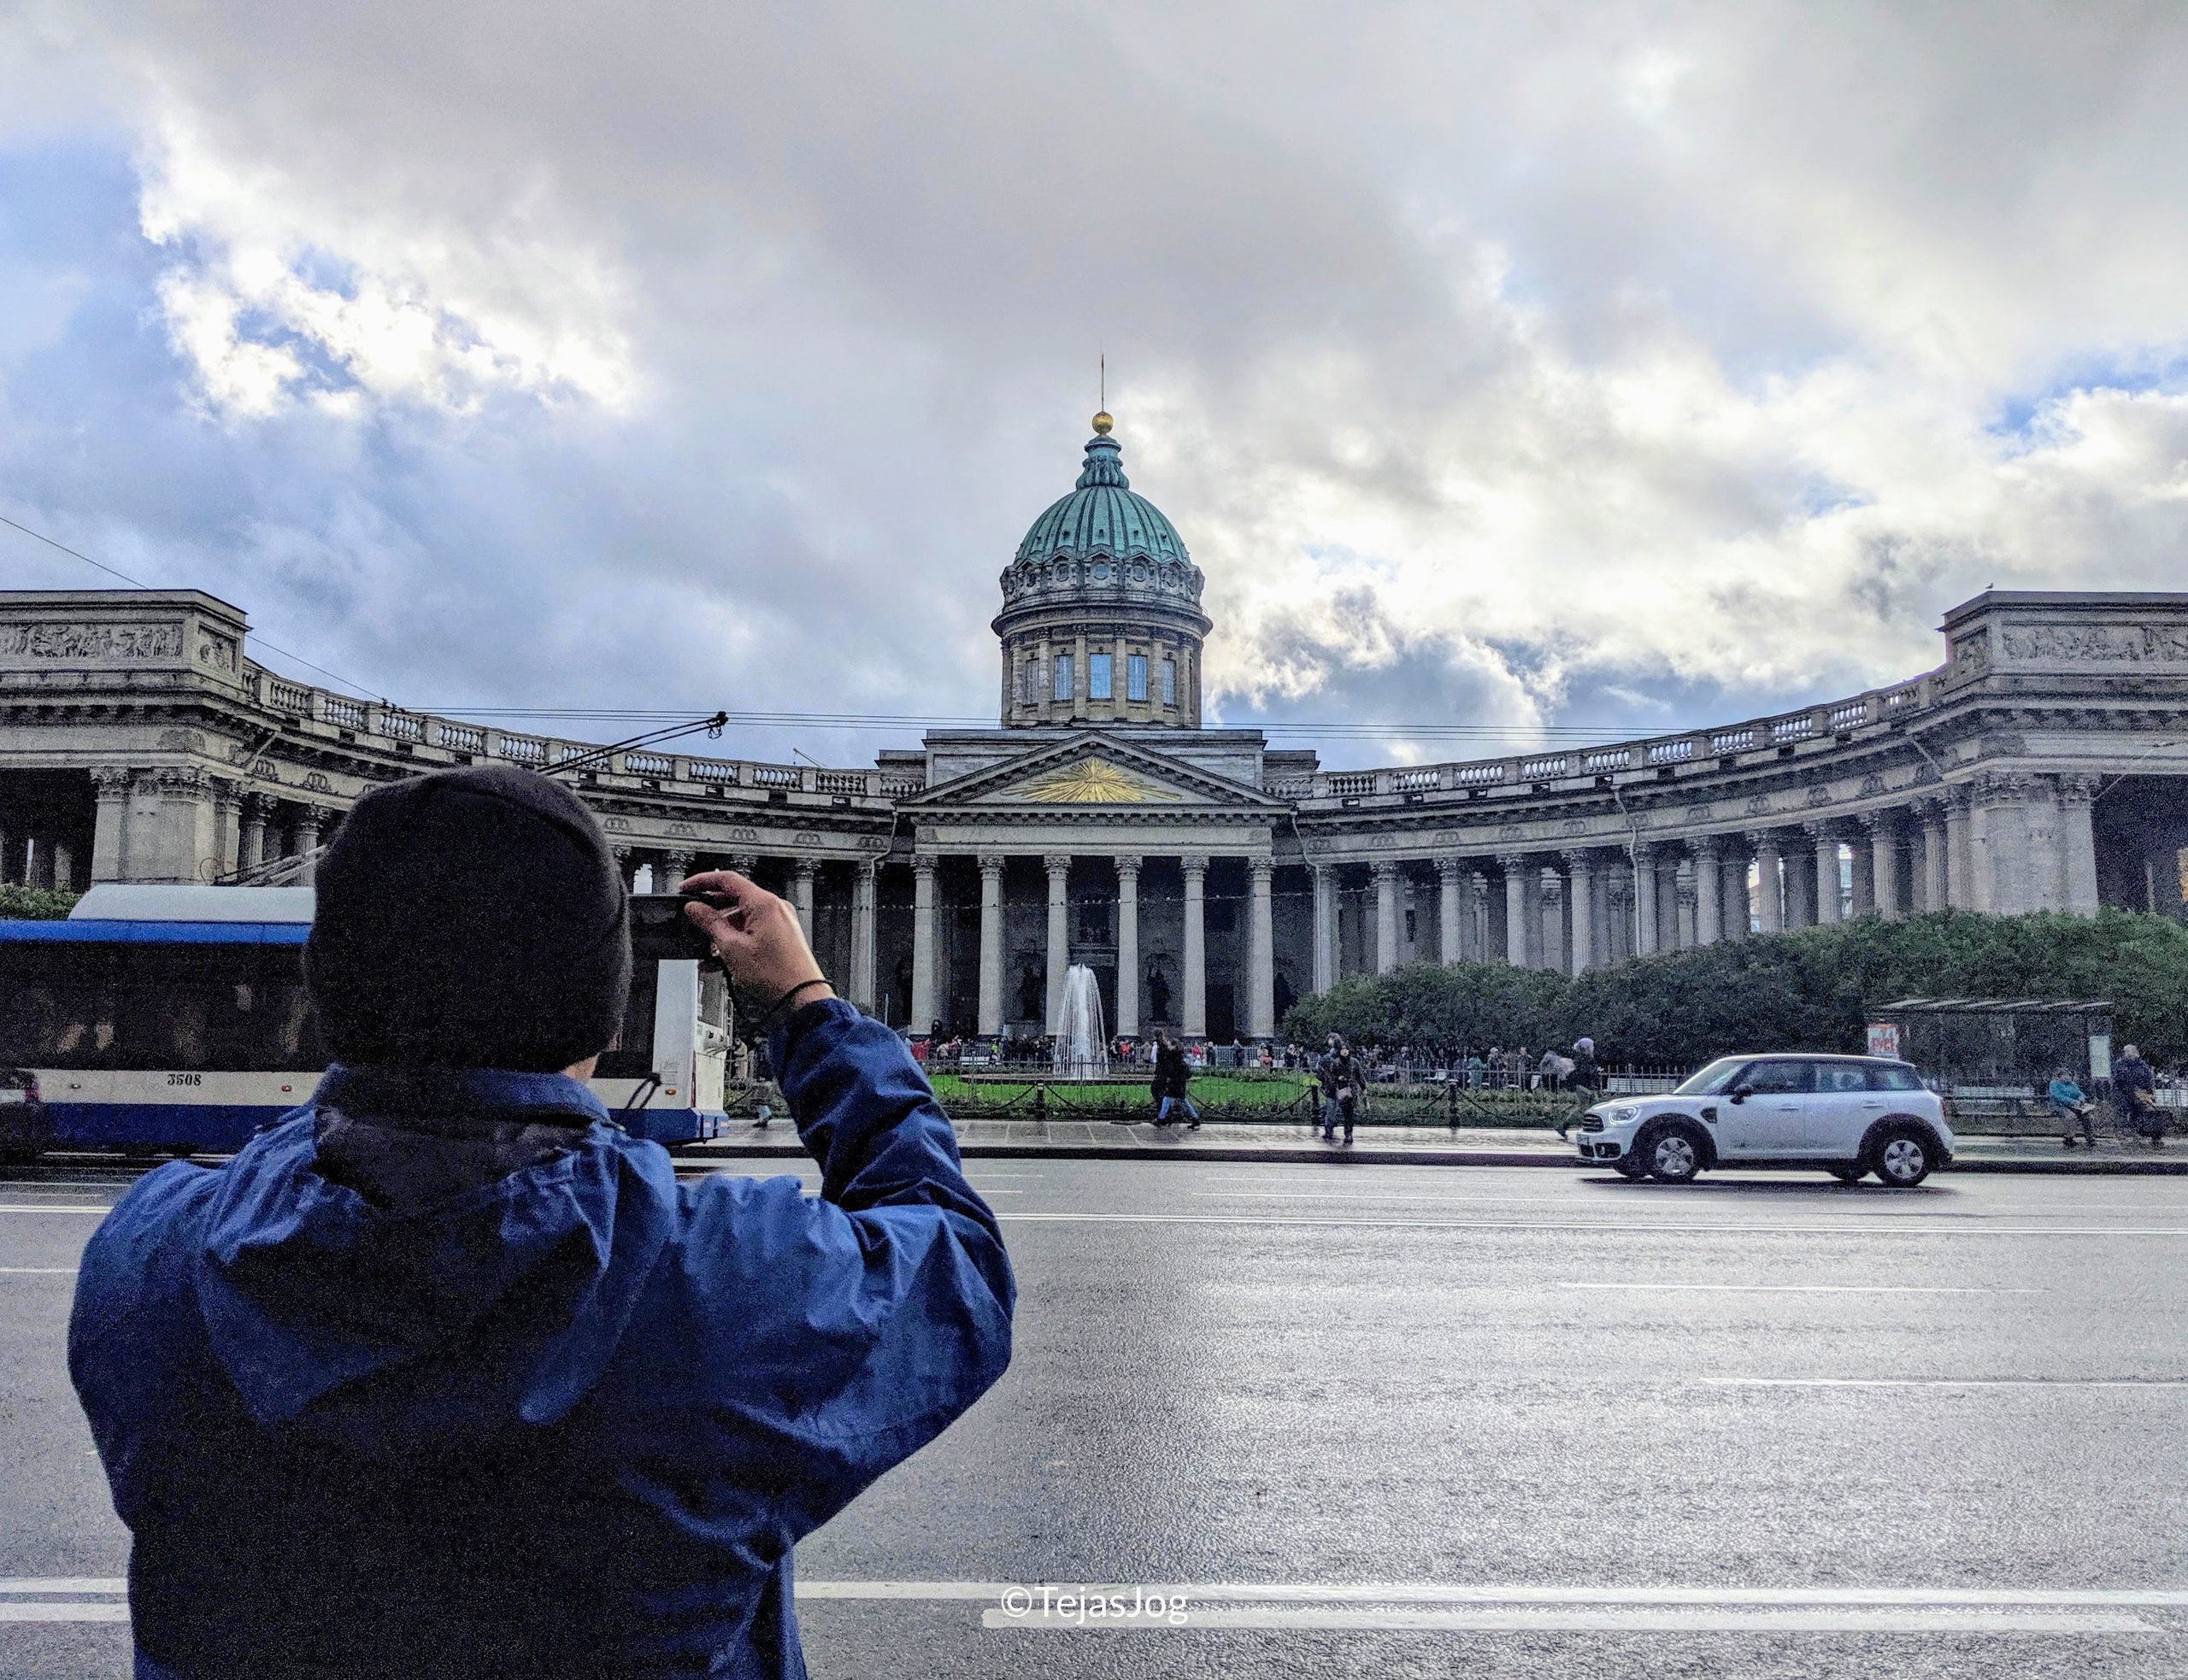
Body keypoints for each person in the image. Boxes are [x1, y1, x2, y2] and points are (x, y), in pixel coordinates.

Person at [68, 765, 1014, 1680]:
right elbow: (958, 1263)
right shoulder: (729, 1278)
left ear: (320, 986)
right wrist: (807, 1009)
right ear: (609, 1011)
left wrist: (374, 1066)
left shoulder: (150, 1252)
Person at [2114, 1043, 2162, 1147]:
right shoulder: (2120, 1064)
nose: (2128, 1054)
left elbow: (2149, 1079)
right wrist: (2133, 1091)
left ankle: (2152, 1137)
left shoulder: (2142, 1065)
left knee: (2149, 1112)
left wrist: (2149, 1093)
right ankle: (2124, 1136)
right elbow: (2120, 1079)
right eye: (2126, 1052)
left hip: (2142, 1093)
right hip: (2125, 1093)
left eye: (2130, 1052)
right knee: (2123, 1113)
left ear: (2136, 1053)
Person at [1320, 1033, 1361, 1144]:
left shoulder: (1331, 1057)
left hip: (1337, 1088)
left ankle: (1330, 1131)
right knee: (1337, 1112)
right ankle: (1337, 1132)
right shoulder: (1336, 1058)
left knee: (1334, 1111)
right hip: (1337, 1088)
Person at [1152, 1031, 1198, 1128]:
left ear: (1174, 1046)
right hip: (1179, 1083)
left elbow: (1174, 1070)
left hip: (1175, 1083)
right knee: (1182, 1100)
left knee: (1167, 1098)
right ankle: (1195, 1117)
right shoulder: (1177, 1055)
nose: (1168, 1047)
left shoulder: (1175, 1057)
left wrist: (1170, 1078)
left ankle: (1161, 1118)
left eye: (1170, 1046)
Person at [2049, 1067, 2097, 1148]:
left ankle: (2090, 1138)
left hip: (2075, 1106)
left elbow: (2079, 1093)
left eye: (2069, 1075)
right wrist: (2072, 1101)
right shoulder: (2054, 1084)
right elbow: (2057, 1096)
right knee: (2072, 1117)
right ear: (2060, 1076)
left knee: (2087, 1117)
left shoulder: (2073, 1084)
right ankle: (2069, 1138)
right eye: (2065, 1075)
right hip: (2060, 1106)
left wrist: (2081, 1098)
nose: (2068, 1077)